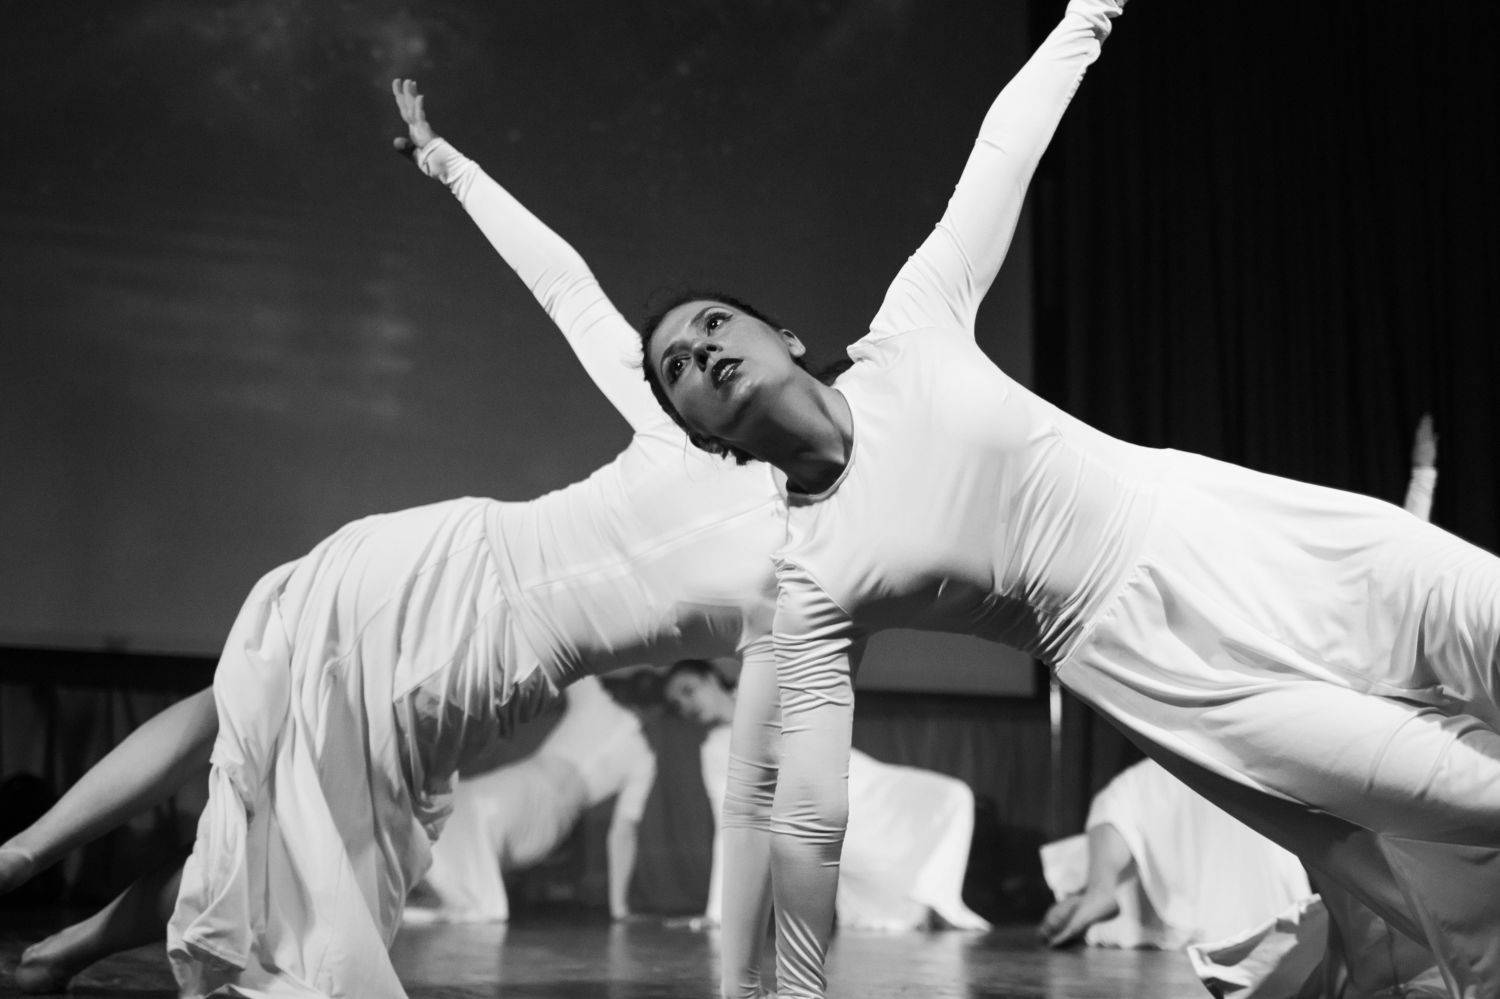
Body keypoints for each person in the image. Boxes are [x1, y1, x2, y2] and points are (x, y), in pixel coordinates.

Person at [638, 0, 1500, 992]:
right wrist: (792, 990)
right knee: (1471, 799)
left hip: (1220, 521)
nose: (701, 348)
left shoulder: (911, 331)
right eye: (677, 366)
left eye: (713, 323)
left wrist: (1088, 11)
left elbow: (1004, 151)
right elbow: (808, 814)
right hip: (1159, 667)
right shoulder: (810, 580)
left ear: (785, 337)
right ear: (704, 436)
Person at [0, 81, 788, 999]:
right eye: (685, 353)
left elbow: (757, 795)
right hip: (446, 568)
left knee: (271, 812)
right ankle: (24, 868)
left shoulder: (805, 569)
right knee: (255, 746)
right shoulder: (685, 425)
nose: (699, 360)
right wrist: (448, 164)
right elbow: (566, 286)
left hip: (472, 658)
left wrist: (753, 984)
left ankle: (49, 927)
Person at [1038, 415, 1441, 952]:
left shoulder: (1347, 621)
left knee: (1231, 801)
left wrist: (1423, 475)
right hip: (1234, 737)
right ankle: (1100, 890)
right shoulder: (1263, 595)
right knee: (1131, 793)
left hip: (1294, 752)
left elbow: (1405, 570)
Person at [664, 659, 988, 933]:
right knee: (880, 907)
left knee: (951, 796)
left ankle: (936, 901)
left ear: (711, 678)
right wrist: (720, 912)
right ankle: (920, 907)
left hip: (862, 782)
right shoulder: (717, 749)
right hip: (822, 814)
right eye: (677, 703)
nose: (686, 705)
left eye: (688, 690)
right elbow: (733, 826)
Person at [404, 675, 656, 925]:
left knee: (465, 814)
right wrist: (619, 908)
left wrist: (619, 908)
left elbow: (623, 833)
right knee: (459, 809)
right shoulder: (607, 714)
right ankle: (445, 897)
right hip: (530, 800)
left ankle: (456, 899)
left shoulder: (635, 748)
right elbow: (623, 833)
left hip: (540, 810)